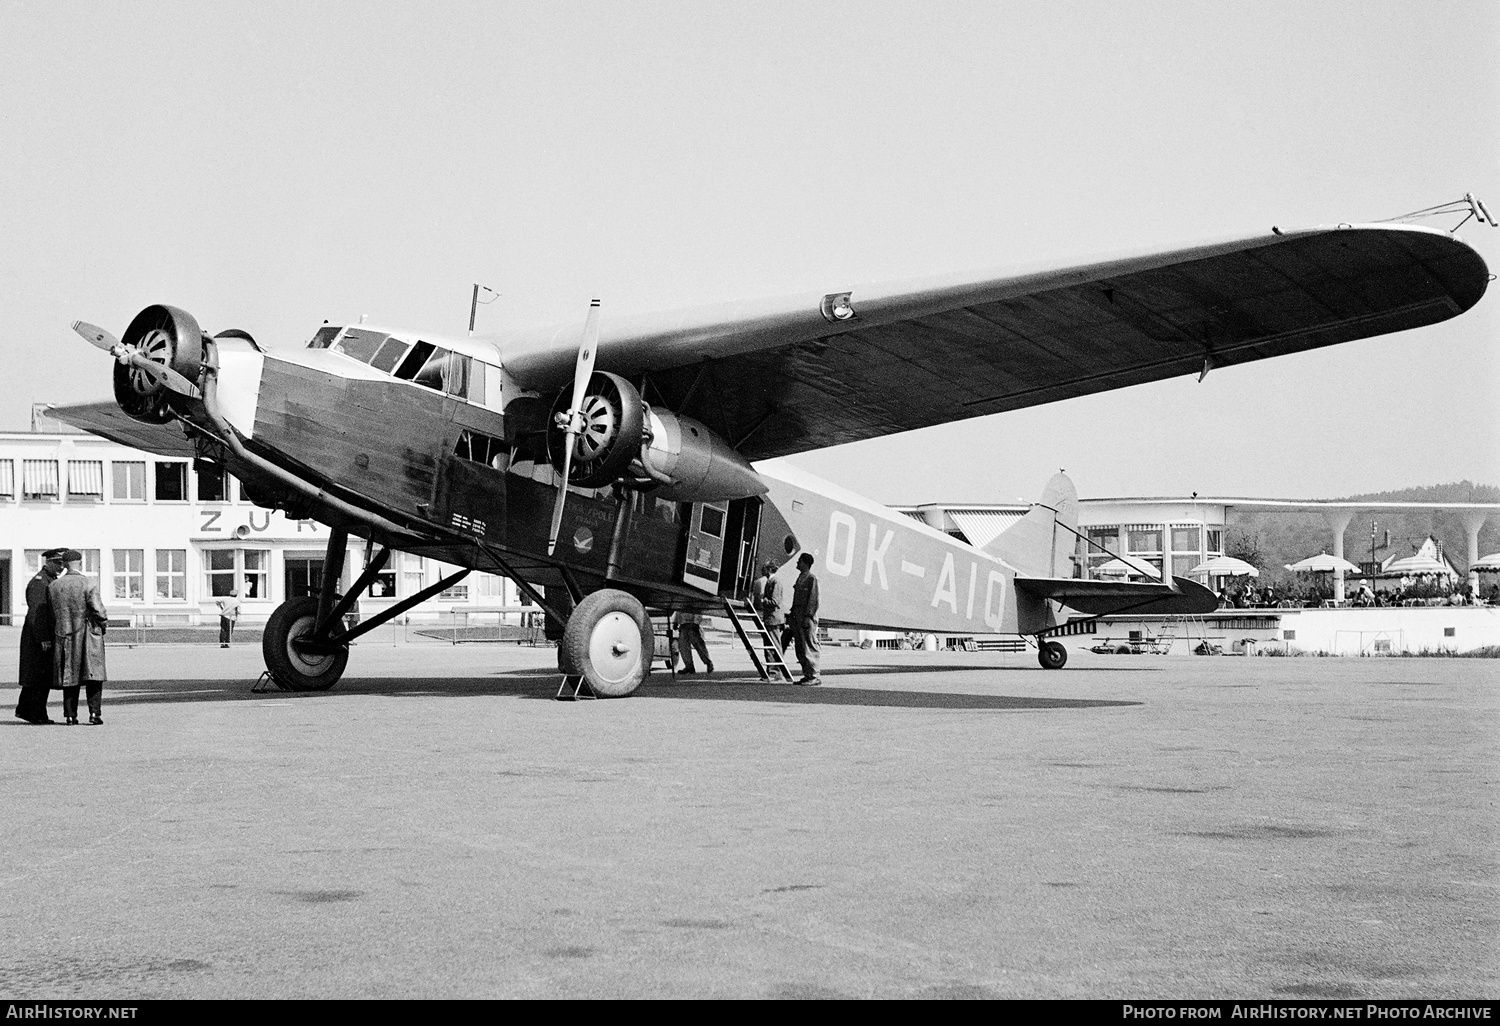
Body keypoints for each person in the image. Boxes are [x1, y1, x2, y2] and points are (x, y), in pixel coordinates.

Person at [49, 550, 109, 726]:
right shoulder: (88, 583)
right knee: (93, 675)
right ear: (79, 563)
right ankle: (94, 713)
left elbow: (52, 613)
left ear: (65, 564)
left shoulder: (54, 586)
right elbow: (99, 610)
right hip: (88, 634)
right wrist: (103, 625)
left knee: (70, 675)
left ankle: (70, 715)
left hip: (64, 635)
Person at [15, 548, 67, 724]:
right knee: (39, 677)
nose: (61, 567)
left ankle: (26, 710)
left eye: (62, 563)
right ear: (48, 562)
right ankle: (36, 714)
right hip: (37, 637)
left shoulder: (49, 580)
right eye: (58, 563)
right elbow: (36, 614)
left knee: (36, 676)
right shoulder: (40, 582)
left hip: (40, 636)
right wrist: (43, 638)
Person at [788, 552, 821, 686]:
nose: (797, 563)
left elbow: (813, 600)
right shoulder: (800, 577)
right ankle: (807, 674)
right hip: (797, 615)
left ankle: (814, 675)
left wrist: (809, 616)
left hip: (806, 617)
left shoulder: (811, 579)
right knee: (800, 647)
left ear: (805, 563)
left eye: (799, 561)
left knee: (809, 646)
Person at [752, 560, 788, 665]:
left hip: (774, 619)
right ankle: (772, 671)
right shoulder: (770, 581)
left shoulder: (775, 582)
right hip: (770, 618)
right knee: (769, 646)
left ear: (769, 570)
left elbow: (775, 601)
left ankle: (777, 670)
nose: (762, 570)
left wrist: (764, 600)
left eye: (764, 568)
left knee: (774, 645)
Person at [674, 610, 713, 675]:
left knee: (698, 645)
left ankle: (708, 663)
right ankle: (689, 667)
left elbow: (697, 609)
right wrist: (676, 621)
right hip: (683, 624)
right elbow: (678, 609)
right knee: (683, 647)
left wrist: (696, 622)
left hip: (692, 624)